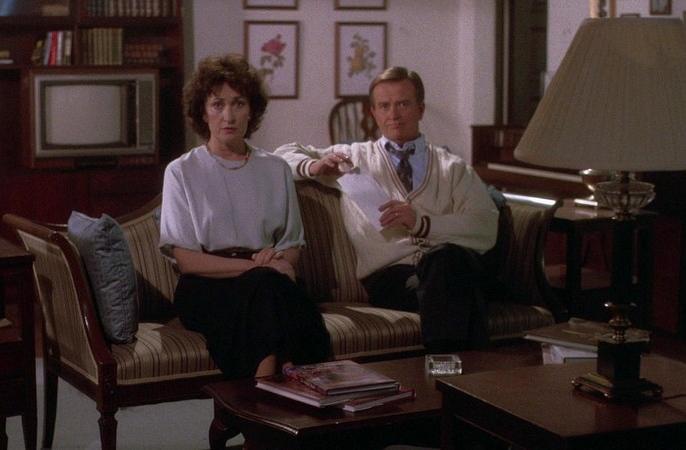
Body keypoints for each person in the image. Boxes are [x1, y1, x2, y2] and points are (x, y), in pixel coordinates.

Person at [275, 67, 498, 353]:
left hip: (448, 267)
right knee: (459, 282)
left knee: (446, 261)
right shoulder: (353, 158)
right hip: (392, 278)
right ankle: (471, 371)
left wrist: (422, 223)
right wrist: (314, 166)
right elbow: (281, 155)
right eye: (384, 106)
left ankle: (444, 368)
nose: (393, 114)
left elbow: (485, 225)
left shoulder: (452, 166)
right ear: (373, 112)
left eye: (403, 104)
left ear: (420, 109)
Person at [158, 54, 332, 380]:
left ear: (252, 110)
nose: (229, 116)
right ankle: (288, 392)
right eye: (217, 104)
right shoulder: (182, 171)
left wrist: (275, 263)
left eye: (238, 103)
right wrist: (257, 268)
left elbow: (291, 247)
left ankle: (262, 397)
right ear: (202, 111)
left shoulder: (276, 169)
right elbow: (187, 261)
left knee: (269, 293)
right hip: (207, 286)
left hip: (268, 279)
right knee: (270, 291)